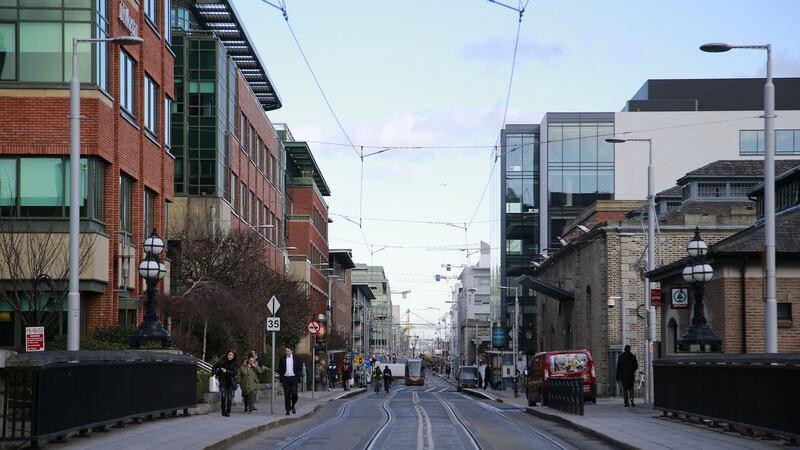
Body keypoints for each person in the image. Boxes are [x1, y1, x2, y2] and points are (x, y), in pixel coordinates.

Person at [212, 350, 238, 417]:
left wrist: (226, 371)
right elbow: (214, 367)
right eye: (229, 354)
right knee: (223, 397)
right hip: (223, 381)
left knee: (229, 398)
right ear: (227, 355)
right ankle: (223, 410)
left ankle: (228, 411)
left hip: (230, 382)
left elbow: (234, 373)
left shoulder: (234, 363)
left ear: (234, 356)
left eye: (232, 355)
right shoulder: (222, 361)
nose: (230, 356)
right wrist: (216, 374)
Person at [278, 347, 302, 415]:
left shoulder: (296, 358)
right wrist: (282, 377)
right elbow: (280, 368)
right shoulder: (282, 358)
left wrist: (298, 377)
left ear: (291, 351)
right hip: (286, 379)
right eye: (285, 351)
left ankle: (293, 405)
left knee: (294, 394)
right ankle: (288, 410)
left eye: (288, 351)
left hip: (294, 378)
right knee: (287, 395)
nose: (286, 352)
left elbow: (299, 368)